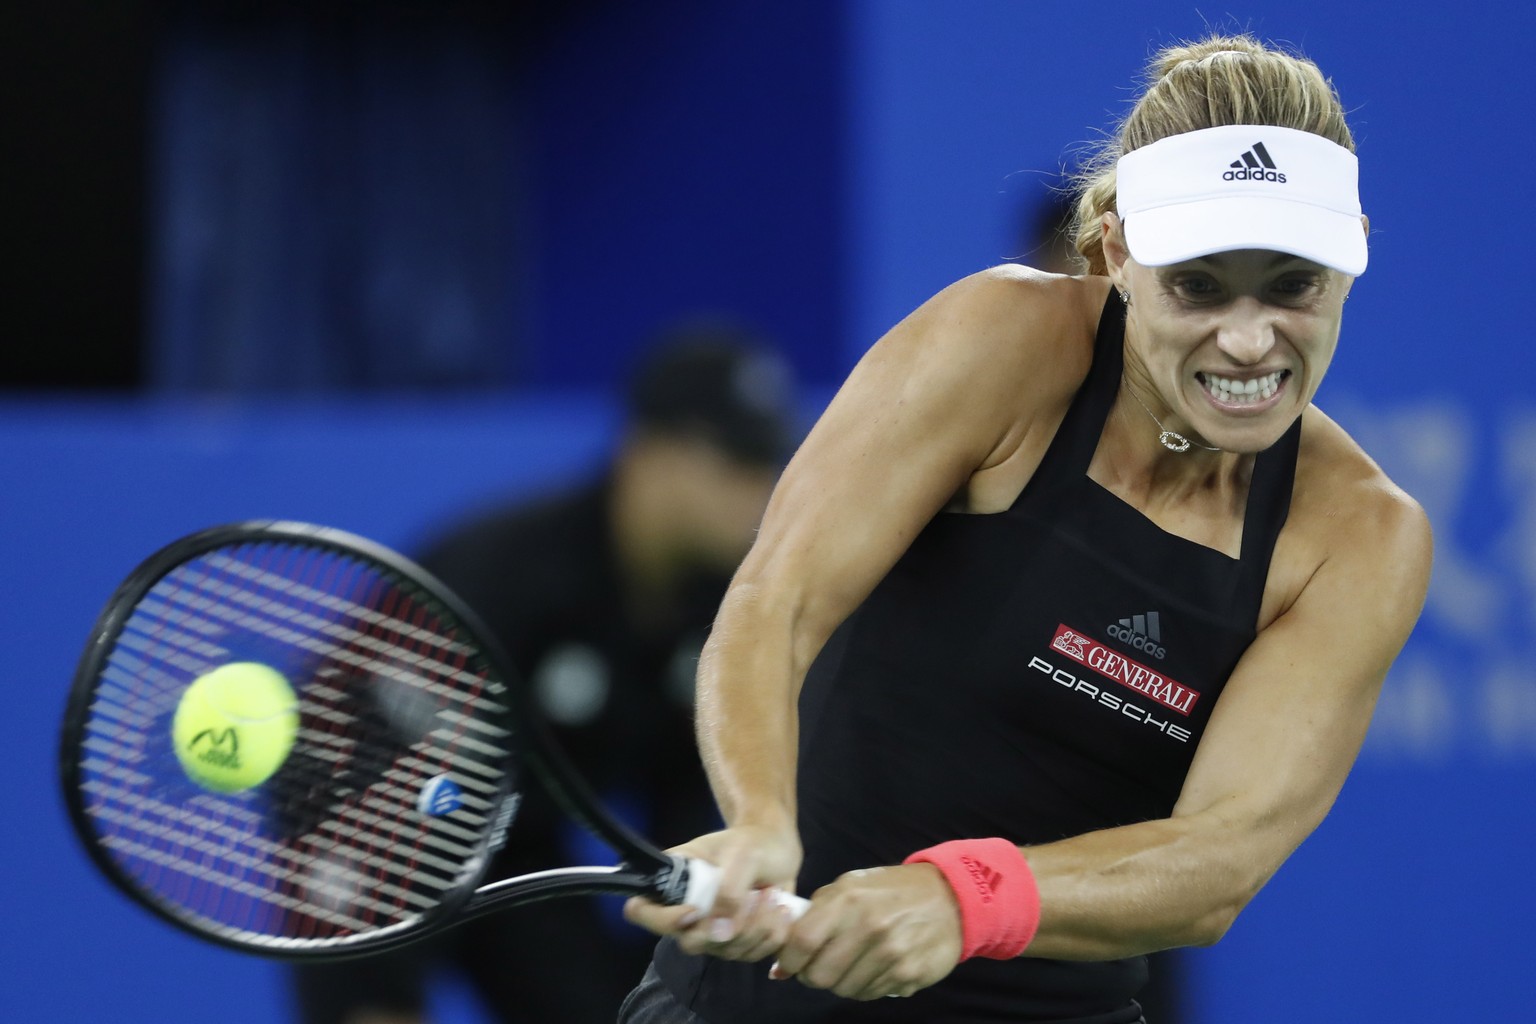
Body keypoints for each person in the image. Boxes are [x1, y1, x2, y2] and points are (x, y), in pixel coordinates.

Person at [621, 33, 1433, 1023]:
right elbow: (776, 602)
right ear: (1120, 250)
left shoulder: (1364, 537)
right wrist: (758, 821)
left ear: (1349, 252)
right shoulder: (1000, 341)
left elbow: (1223, 855)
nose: (1250, 338)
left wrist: (967, 898)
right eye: (1200, 285)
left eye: (1293, 284)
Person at [290, 324, 799, 1024]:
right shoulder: (502, 576)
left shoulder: (713, 609)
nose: (760, 492)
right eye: (735, 462)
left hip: (516, 848)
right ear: (647, 454)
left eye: (768, 461)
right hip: (369, 806)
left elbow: (682, 801)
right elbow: (397, 783)